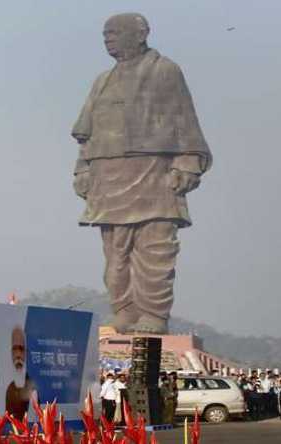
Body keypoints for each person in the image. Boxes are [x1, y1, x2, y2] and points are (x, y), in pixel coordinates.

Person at [71, 13, 213, 334]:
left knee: (154, 246)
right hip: (107, 176)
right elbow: (86, 136)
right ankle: (124, 308)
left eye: (114, 32)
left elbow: (184, 121)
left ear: (141, 34)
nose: (107, 38)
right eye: (104, 33)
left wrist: (187, 163)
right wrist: (82, 171)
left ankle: (153, 313)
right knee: (115, 253)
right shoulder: (101, 81)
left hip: (153, 172)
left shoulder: (165, 71)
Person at [5, 327, 38, 419]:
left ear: (26, 353)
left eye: (21, 349)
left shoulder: (32, 387)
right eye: (15, 349)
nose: (18, 354)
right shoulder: (8, 387)